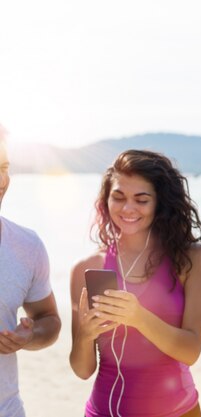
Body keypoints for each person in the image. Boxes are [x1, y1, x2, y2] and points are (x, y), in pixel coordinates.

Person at [69, 149, 201, 417]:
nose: (128, 208)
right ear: (105, 200)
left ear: (159, 202)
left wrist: (138, 317)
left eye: (141, 199)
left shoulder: (193, 259)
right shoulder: (87, 268)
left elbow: (190, 351)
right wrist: (86, 335)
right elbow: (82, 369)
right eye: (119, 197)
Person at [0, 125, 62, 417]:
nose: (1, 180)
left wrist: (29, 335)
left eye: (4, 167)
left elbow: (49, 320)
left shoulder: (27, 245)